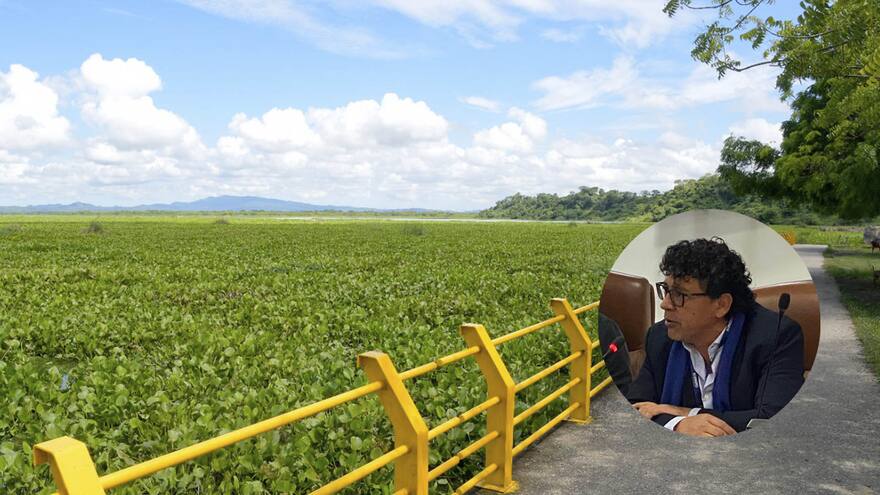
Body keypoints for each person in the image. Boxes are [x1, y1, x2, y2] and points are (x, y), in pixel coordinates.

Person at [626, 238, 805, 437]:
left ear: (721, 305)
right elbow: (638, 407)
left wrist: (688, 414)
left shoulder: (775, 336)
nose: (665, 304)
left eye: (679, 295)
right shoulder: (659, 338)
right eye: (666, 290)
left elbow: (770, 418)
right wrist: (678, 424)